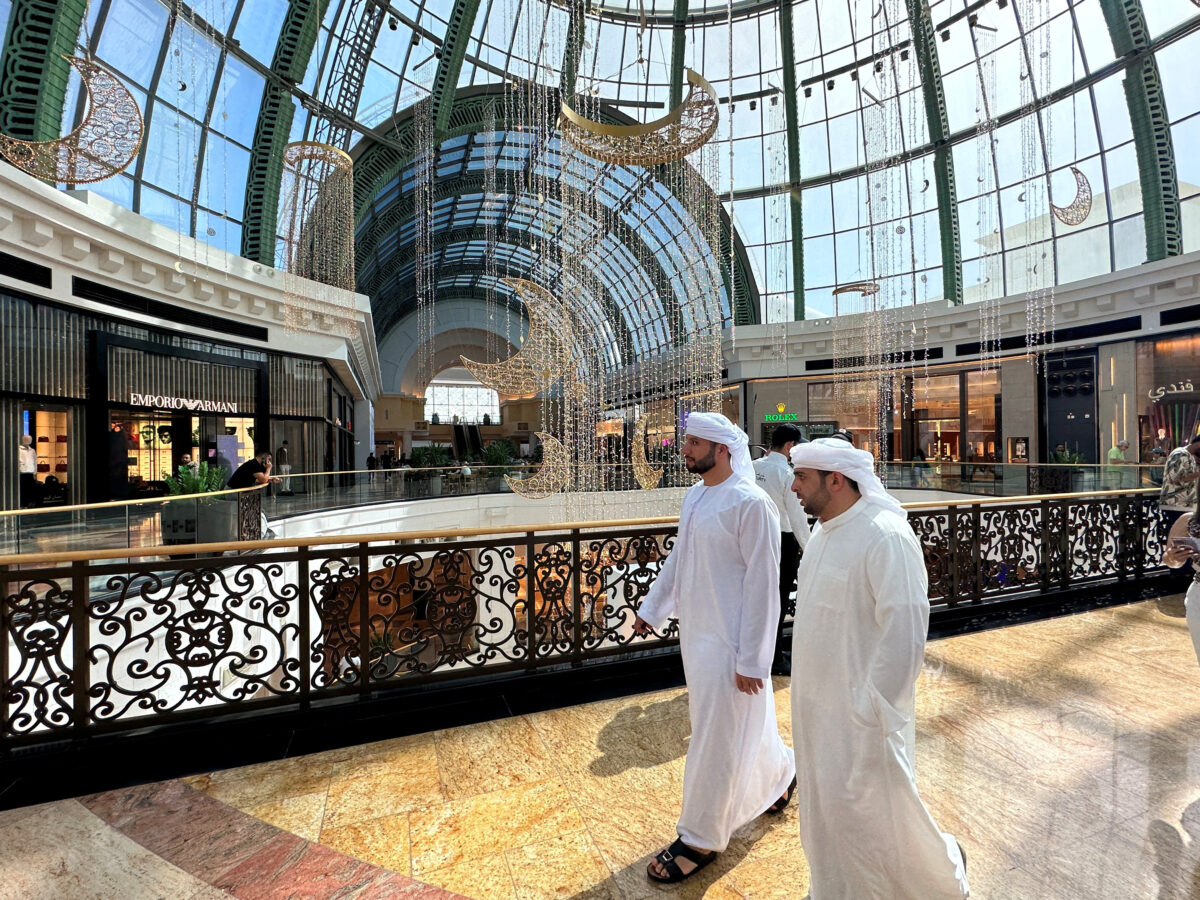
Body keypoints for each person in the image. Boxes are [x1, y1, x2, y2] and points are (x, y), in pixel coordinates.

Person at [788, 437, 969, 900]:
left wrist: (872, 709)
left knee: (874, 814)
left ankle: (937, 880)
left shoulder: (884, 534)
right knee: (828, 811)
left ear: (836, 479)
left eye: (802, 477)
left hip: (861, 718)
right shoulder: (825, 533)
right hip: (818, 711)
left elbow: (905, 631)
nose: (792, 487)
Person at [633, 413, 795, 883]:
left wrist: (752, 660)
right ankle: (781, 777)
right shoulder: (697, 496)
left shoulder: (752, 504)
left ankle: (700, 838)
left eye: (693, 443)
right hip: (699, 639)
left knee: (716, 737)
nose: (684, 450)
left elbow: (765, 589)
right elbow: (681, 558)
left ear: (722, 448)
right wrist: (653, 608)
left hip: (731, 645)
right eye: (686, 441)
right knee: (745, 721)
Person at [752, 424, 810, 676]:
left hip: (754, 538)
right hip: (782, 541)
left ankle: (758, 653)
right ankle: (774, 657)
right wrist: (810, 548)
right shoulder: (787, 475)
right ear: (789, 446)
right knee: (778, 599)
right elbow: (797, 518)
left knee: (757, 599)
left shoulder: (753, 467)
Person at [1160, 434, 1200, 577]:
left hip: (1184, 505)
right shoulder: (1180, 454)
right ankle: (1180, 573)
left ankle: (1185, 571)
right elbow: (1177, 478)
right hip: (1177, 504)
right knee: (1180, 542)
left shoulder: (1190, 456)